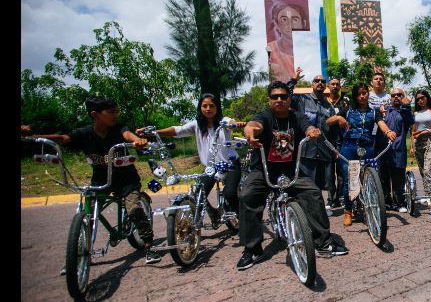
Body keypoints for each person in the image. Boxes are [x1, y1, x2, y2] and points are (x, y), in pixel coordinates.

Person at [25, 96, 161, 264]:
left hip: (127, 180)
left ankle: (149, 245)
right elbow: (63, 139)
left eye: (117, 112)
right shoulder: (84, 133)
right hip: (100, 181)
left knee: (133, 208)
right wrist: (34, 137)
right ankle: (80, 255)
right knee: (88, 213)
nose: (116, 115)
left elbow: (128, 135)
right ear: (95, 114)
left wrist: (137, 141)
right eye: (111, 112)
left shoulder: (119, 129)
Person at [237, 81, 348, 270]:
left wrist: (312, 131)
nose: (279, 100)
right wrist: (250, 133)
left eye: (283, 96)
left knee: (313, 193)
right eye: (275, 97)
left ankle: (323, 241)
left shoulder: (297, 116)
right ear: (269, 99)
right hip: (263, 171)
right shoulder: (265, 115)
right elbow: (254, 125)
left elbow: (307, 126)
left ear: (290, 99)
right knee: (248, 195)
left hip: (291, 170)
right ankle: (252, 249)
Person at [137, 94, 245, 224]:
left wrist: (236, 124)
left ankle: (244, 220)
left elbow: (230, 122)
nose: (208, 108)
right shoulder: (197, 125)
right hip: (211, 167)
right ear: (200, 108)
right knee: (199, 194)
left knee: (230, 194)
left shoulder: (223, 121)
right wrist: (155, 133)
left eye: (212, 105)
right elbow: (177, 130)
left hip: (230, 164)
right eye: (204, 106)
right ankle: (203, 220)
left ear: (217, 108)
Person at [327, 83, 397, 226]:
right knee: (350, 180)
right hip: (349, 148)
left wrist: (388, 132)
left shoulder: (374, 111)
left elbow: (381, 124)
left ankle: (367, 207)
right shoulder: (347, 110)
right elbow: (328, 121)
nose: (362, 96)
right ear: (355, 96)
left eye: (364, 93)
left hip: (367, 148)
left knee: (369, 178)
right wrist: (338, 118)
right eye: (359, 94)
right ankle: (348, 210)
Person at [289, 70, 337, 217]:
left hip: (323, 150)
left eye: (323, 81)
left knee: (321, 183)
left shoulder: (328, 107)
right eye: (317, 81)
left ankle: (319, 209)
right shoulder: (301, 100)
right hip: (306, 150)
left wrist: (334, 149)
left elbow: (331, 131)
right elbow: (286, 95)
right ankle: (303, 211)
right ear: (312, 84)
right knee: (305, 183)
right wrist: (293, 80)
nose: (320, 83)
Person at [377, 87, 414, 212]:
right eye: (394, 95)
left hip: (398, 148)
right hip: (383, 149)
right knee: (384, 177)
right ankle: (387, 202)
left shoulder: (405, 111)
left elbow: (410, 121)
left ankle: (399, 202)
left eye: (399, 95)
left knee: (398, 177)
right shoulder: (384, 110)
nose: (396, 97)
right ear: (390, 97)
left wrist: (407, 106)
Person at [410, 90, 431, 201]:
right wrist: (411, 147)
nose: (420, 100)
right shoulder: (415, 113)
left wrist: (422, 132)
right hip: (417, 143)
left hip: (429, 141)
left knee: (428, 169)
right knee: (422, 171)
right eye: (418, 99)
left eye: (422, 97)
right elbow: (413, 131)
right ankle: (428, 195)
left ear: (427, 97)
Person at [326, 76, 349, 208]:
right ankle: (331, 198)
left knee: (341, 170)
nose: (335, 86)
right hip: (327, 141)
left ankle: (340, 196)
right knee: (329, 173)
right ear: (328, 86)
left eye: (337, 84)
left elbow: (347, 114)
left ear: (340, 87)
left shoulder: (345, 102)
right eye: (332, 84)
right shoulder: (324, 102)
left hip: (342, 140)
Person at [267, 2, 305, 81]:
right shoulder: (271, 50)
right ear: (276, 24)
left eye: (295, 19)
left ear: (303, 24)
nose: (289, 24)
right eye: (284, 19)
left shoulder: (307, 53)